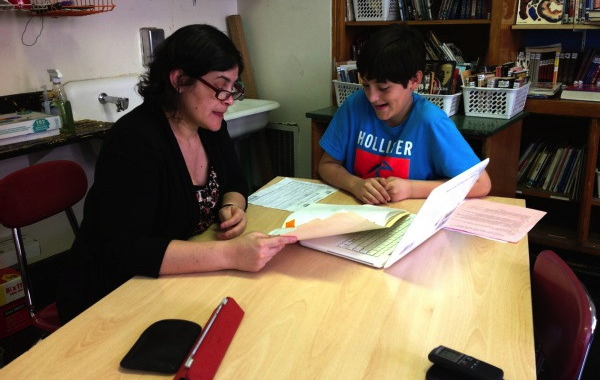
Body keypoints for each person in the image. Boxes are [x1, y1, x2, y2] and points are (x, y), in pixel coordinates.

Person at [56, 24, 297, 323]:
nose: (229, 99)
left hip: (174, 281)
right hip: (112, 295)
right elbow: (127, 250)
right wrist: (231, 254)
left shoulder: (209, 126)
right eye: (220, 86)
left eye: (234, 87)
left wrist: (231, 205)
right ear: (180, 80)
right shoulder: (134, 142)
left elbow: (235, 180)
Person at [318, 24, 491, 204]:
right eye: (366, 85)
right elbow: (327, 165)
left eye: (383, 88)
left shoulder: (431, 121)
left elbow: (481, 184)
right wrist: (356, 184)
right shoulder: (354, 105)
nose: (372, 97)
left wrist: (412, 188)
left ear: (414, 80)